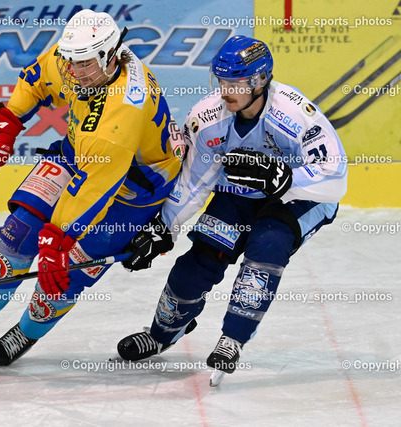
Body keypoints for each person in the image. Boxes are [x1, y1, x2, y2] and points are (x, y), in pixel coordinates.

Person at [0, 9, 181, 366]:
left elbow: (93, 189)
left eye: (81, 64)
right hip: (78, 154)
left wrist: (58, 239)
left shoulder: (122, 111)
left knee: (66, 270)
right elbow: (38, 78)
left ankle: (26, 331)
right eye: (69, 61)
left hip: (133, 187)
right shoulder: (79, 58)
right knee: (20, 229)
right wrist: (10, 117)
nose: (72, 71)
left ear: (109, 56)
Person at [116, 35, 348, 384]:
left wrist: (286, 179)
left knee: (265, 249)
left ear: (260, 81)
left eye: (235, 83)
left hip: (302, 197)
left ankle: (232, 338)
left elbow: (336, 176)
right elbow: (194, 183)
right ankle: (163, 333)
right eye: (221, 81)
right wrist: (162, 228)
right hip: (239, 196)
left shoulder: (295, 112)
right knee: (198, 262)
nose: (225, 91)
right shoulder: (208, 116)